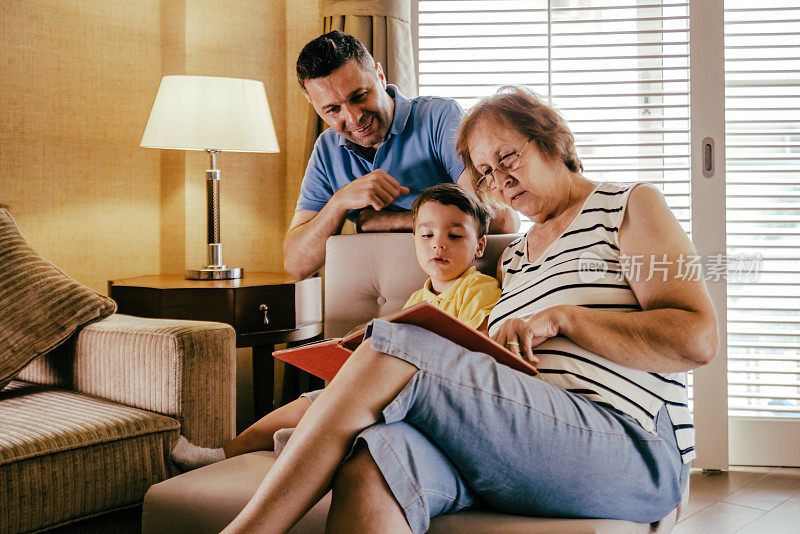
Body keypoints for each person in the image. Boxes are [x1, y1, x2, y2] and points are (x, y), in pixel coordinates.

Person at [222, 86, 718, 534]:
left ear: (550, 141)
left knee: (397, 345)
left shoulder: (627, 206)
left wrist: (568, 318)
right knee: (374, 460)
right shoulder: (518, 257)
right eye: (485, 172)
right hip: (518, 441)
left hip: (629, 445)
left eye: (508, 159)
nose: (498, 181)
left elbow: (697, 340)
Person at [171, 183, 501, 470]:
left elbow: (480, 351)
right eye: (426, 234)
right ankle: (220, 454)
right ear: (414, 239)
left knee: (337, 407)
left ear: (480, 245)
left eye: (454, 235)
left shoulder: (478, 288)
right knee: (308, 400)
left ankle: (309, 438)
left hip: (424, 397)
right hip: (383, 389)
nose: (437, 244)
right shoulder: (419, 297)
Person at [283, 30, 517, 281]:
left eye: (360, 96)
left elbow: (500, 218)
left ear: (380, 76)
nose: (353, 118)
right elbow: (296, 265)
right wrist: (340, 202)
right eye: (332, 110)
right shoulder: (326, 149)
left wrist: (377, 221)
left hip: (459, 295)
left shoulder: (437, 116)